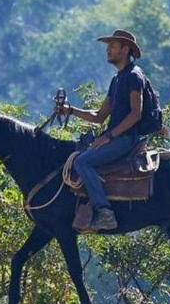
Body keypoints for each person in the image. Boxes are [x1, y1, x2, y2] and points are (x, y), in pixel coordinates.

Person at [59, 29, 149, 231]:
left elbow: (136, 114)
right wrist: (70, 110)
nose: (108, 50)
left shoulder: (134, 76)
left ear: (125, 50)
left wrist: (109, 136)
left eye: (113, 46)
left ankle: (105, 212)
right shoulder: (117, 80)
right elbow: (100, 117)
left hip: (128, 138)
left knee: (83, 161)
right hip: (118, 136)